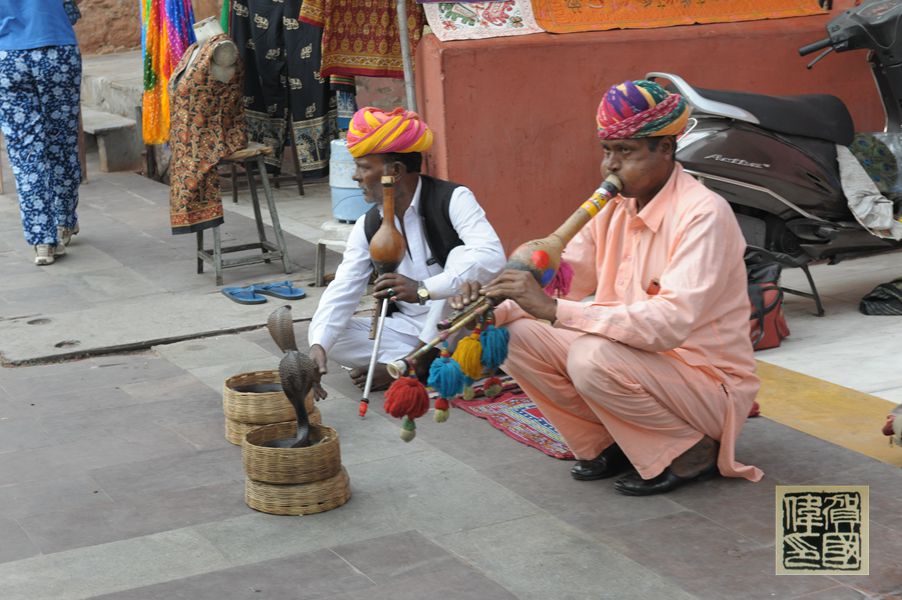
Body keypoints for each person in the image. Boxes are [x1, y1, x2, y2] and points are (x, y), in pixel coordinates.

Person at [452, 80, 763, 496]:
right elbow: (567, 281)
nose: (610, 167)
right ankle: (613, 442)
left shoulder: (704, 214)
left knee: (592, 355)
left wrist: (553, 310)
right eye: (607, 151)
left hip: (706, 382)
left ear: (666, 149)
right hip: (640, 362)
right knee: (514, 336)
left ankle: (691, 449)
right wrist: (497, 306)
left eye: (627, 152)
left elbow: (667, 326)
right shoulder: (613, 207)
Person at [308, 106, 505, 391]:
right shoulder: (369, 224)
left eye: (363, 167)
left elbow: (492, 257)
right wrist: (318, 347)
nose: (355, 177)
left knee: (462, 258)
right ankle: (414, 363)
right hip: (404, 329)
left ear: (395, 172)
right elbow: (344, 287)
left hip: (456, 323)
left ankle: (418, 364)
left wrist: (423, 288)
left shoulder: (453, 198)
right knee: (328, 335)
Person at [0, 0, 83, 266]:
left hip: (7, 56)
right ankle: (64, 222)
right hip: (56, 48)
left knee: (25, 154)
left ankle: (43, 241)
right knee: (62, 141)